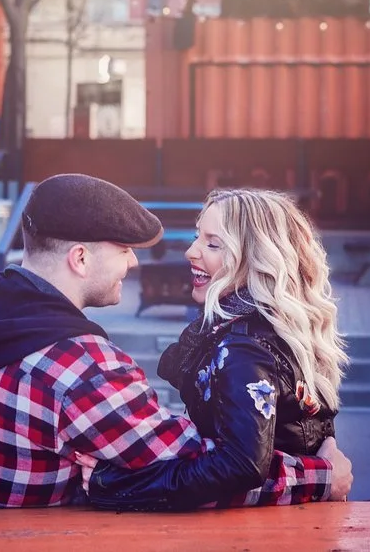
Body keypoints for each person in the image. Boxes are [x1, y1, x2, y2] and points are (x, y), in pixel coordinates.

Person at [0, 174, 352, 508]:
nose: (133, 265)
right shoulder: (83, 369)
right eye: (123, 250)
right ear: (79, 258)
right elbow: (211, 470)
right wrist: (322, 478)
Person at [88, 188, 350, 509]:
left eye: (212, 244)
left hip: (270, 527)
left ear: (256, 258)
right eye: (198, 237)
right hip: (289, 513)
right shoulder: (251, 325)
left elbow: (240, 465)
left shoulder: (246, 345)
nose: (191, 252)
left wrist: (119, 485)